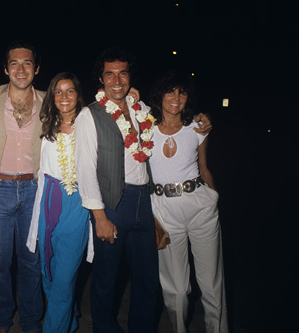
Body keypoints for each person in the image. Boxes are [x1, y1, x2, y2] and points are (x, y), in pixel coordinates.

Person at [75, 46, 212, 333]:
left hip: (145, 203)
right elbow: (85, 169)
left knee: (148, 283)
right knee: (106, 280)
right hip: (113, 203)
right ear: (101, 80)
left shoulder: (143, 111)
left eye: (122, 73)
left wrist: (200, 119)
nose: (117, 80)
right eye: (109, 74)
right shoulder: (89, 116)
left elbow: (171, 120)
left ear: (129, 77)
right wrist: (99, 216)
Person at [148, 69, 228, 333]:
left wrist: (213, 198)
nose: (176, 97)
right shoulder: (144, 129)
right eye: (170, 91)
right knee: (177, 289)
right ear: (160, 95)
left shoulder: (197, 127)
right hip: (164, 210)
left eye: (182, 92)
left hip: (200, 206)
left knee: (211, 285)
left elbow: (204, 168)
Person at [0, 41, 44, 333]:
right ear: (6, 68)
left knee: (31, 261)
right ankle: (1, 320)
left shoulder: (50, 100)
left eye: (28, 63)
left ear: (37, 68)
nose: (21, 69)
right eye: (15, 64)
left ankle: (32, 322)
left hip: (33, 189)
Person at [26, 72, 92, 332]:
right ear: (52, 97)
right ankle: (69, 322)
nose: (64, 97)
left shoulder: (90, 123)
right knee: (48, 273)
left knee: (64, 278)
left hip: (76, 204)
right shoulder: (46, 126)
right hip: (48, 202)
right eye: (58, 92)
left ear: (78, 94)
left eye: (70, 91)